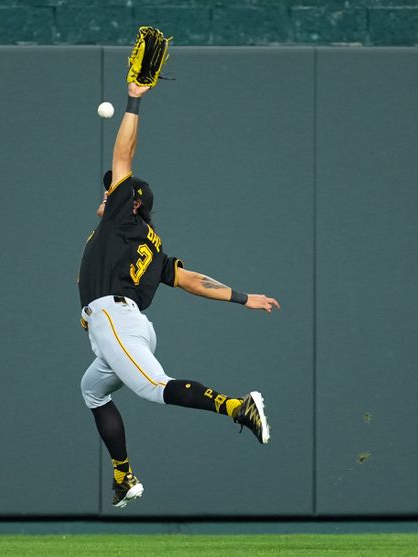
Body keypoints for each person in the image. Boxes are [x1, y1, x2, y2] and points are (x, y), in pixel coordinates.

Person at [78, 80, 280, 509]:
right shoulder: (148, 241)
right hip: (127, 326)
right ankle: (123, 477)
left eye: (113, 189)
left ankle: (237, 407)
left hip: (114, 320)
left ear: (131, 203)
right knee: (92, 389)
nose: (107, 190)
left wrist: (134, 97)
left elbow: (122, 155)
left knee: (155, 388)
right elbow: (189, 280)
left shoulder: (120, 218)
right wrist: (243, 297)